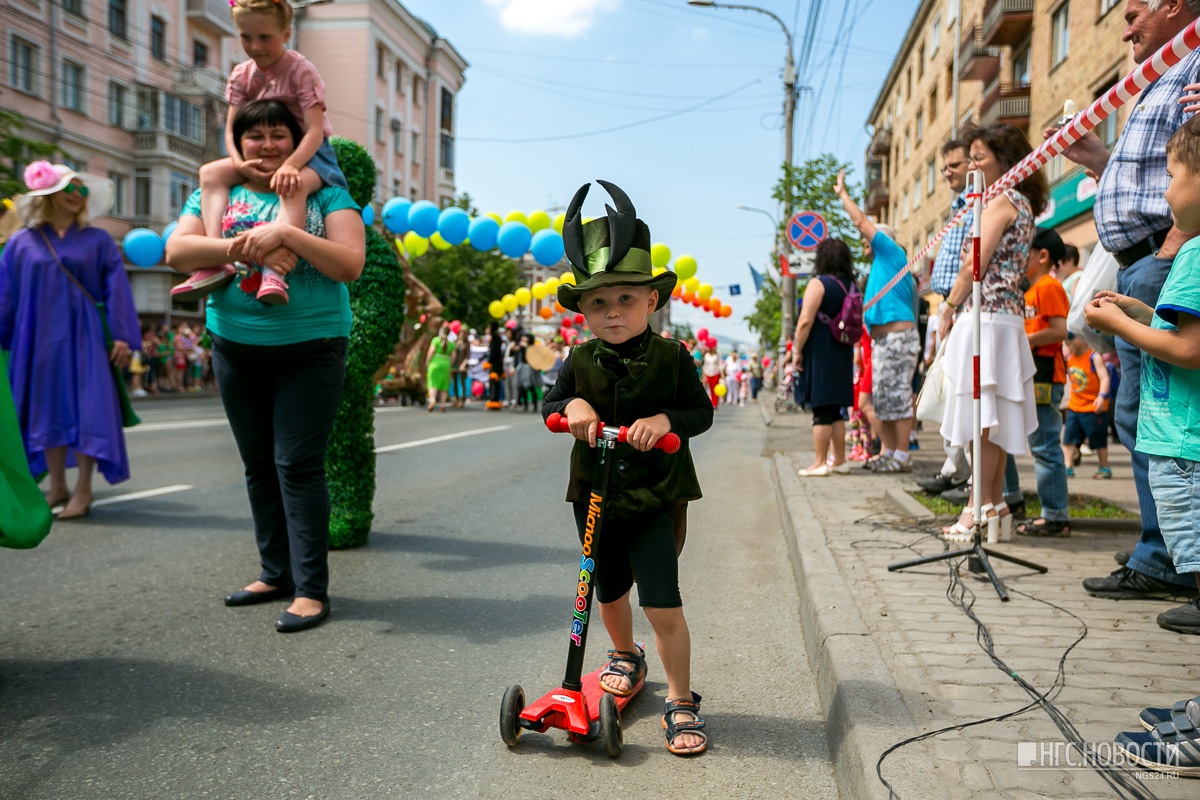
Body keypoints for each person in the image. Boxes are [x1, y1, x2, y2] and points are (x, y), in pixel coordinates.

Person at [164, 99, 365, 633]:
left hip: (312, 346)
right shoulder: (217, 190)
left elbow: (349, 264)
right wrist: (247, 247)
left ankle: (311, 590)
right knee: (257, 466)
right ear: (239, 140)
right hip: (235, 344)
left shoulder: (329, 190)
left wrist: (288, 236)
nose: (267, 145)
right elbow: (179, 251)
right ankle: (274, 573)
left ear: (299, 140)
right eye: (255, 136)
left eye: (280, 134)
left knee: (296, 466)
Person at [542, 180, 713, 756]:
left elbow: (700, 412)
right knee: (605, 589)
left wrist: (666, 421)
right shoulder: (578, 359)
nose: (612, 313)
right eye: (598, 303)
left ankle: (682, 700)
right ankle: (623, 653)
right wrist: (574, 406)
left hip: (654, 493)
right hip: (594, 493)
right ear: (583, 311)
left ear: (652, 301)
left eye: (626, 300)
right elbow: (551, 405)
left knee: (662, 600)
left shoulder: (674, 357)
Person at [1052, 0, 1200, 601]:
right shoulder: (1161, 74)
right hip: (1145, 259)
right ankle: (1161, 543)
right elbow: (1151, 179)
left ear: (1175, 6)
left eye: (1135, 10)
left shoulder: (1190, 62)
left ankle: (1168, 557)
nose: (1124, 23)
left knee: (1157, 422)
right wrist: (1091, 157)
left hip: (1162, 258)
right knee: (1141, 418)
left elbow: (1189, 173)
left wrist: (1166, 253)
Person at [1096, 113, 1200, 774]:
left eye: (1173, 173)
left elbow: (1189, 349)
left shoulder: (1195, 251)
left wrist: (1124, 329)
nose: (1164, 191)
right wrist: (1139, 313)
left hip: (1187, 455)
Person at [171, 0, 347, 307]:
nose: (254, 46)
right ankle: (216, 256)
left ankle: (274, 271)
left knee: (294, 185)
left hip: (310, 152)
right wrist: (241, 164)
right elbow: (231, 129)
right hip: (261, 153)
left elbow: (315, 131)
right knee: (210, 172)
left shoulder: (300, 70)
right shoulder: (241, 74)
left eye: (264, 37)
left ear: (286, 33)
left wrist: (291, 166)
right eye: (245, 37)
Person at [1, 162, 137, 520]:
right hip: (36, 339)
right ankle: (57, 485)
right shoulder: (20, 244)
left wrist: (122, 335)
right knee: (46, 410)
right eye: (70, 188)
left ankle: (84, 490)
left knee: (87, 408)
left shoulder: (99, 241)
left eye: (81, 189)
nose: (78, 195)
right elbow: (6, 295)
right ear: (49, 195)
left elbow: (117, 288)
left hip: (85, 337)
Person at [937, 124, 1045, 543]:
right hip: (1004, 318)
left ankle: (974, 506)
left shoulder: (1003, 200)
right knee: (991, 418)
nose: (974, 165)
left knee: (981, 418)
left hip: (985, 317)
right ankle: (994, 504)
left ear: (1005, 159)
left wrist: (948, 306)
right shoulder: (1020, 201)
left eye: (980, 157)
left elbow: (973, 265)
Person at [835, 171, 920, 473]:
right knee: (884, 400)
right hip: (884, 341)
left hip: (897, 339)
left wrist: (843, 195)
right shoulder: (882, 265)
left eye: (870, 237)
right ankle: (890, 451)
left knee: (896, 398)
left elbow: (861, 222)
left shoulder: (891, 253)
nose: (864, 240)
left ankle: (901, 455)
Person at [918, 136, 975, 496]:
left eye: (954, 165)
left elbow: (971, 262)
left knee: (963, 391)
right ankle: (955, 467)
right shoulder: (959, 206)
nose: (946, 173)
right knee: (953, 390)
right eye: (944, 167)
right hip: (951, 304)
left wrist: (951, 306)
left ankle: (965, 475)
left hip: (964, 305)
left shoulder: (977, 203)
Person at [1012, 227, 1072, 538]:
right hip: (1033, 373)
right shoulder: (1030, 289)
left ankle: (1055, 516)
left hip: (1046, 374)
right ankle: (1035, 508)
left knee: (1045, 445)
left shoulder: (1048, 286)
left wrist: (1022, 337)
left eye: (1025, 250)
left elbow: (1060, 331)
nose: (1019, 257)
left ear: (1043, 255)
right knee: (1031, 442)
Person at [792, 238, 857, 477]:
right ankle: (839, 460)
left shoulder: (819, 284)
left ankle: (819, 462)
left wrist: (797, 351)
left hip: (820, 353)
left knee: (820, 409)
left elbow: (805, 321)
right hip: (842, 352)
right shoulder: (850, 284)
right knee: (835, 409)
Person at [1062, 333, 1112, 479]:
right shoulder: (1070, 357)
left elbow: (1104, 378)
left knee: (1098, 439)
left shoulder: (1094, 357)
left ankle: (1104, 466)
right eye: (1066, 337)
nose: (1068, 340)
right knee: (1069, 439)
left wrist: (1102, 396)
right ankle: (1068, 466)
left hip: (1094, 407)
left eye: (1071, 336)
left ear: (1085, 337)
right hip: (1074, 406)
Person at [425, 322, 452, 413]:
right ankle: (443, 404)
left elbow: (431, 351)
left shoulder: (436, 340)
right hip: (446, 364)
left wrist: (427, 362)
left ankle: (432, 400)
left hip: (435, 362)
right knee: (444, 385)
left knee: (433, 383)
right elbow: (454, 356)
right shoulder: (451, 343)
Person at [450, 327, 471, 407]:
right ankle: (456, 398)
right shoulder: (455, 342)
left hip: (462, 364)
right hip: (455, 364)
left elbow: (467, 356)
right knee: (454, 382)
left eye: (464, 333)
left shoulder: (467, 343)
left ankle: (463, 399)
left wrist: (463, 364)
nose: (462, 334)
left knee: (462, 382)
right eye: (461, 332)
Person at [701, 343, 722, 408]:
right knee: (710, 388)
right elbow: (704, 365)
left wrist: (722, 373)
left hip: (716, 372)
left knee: (715, 388)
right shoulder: (706, 355)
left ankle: (715, 403)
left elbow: (720, 364)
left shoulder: (717, 354)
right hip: (708, 372)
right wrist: (704, 374)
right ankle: (711, 402)